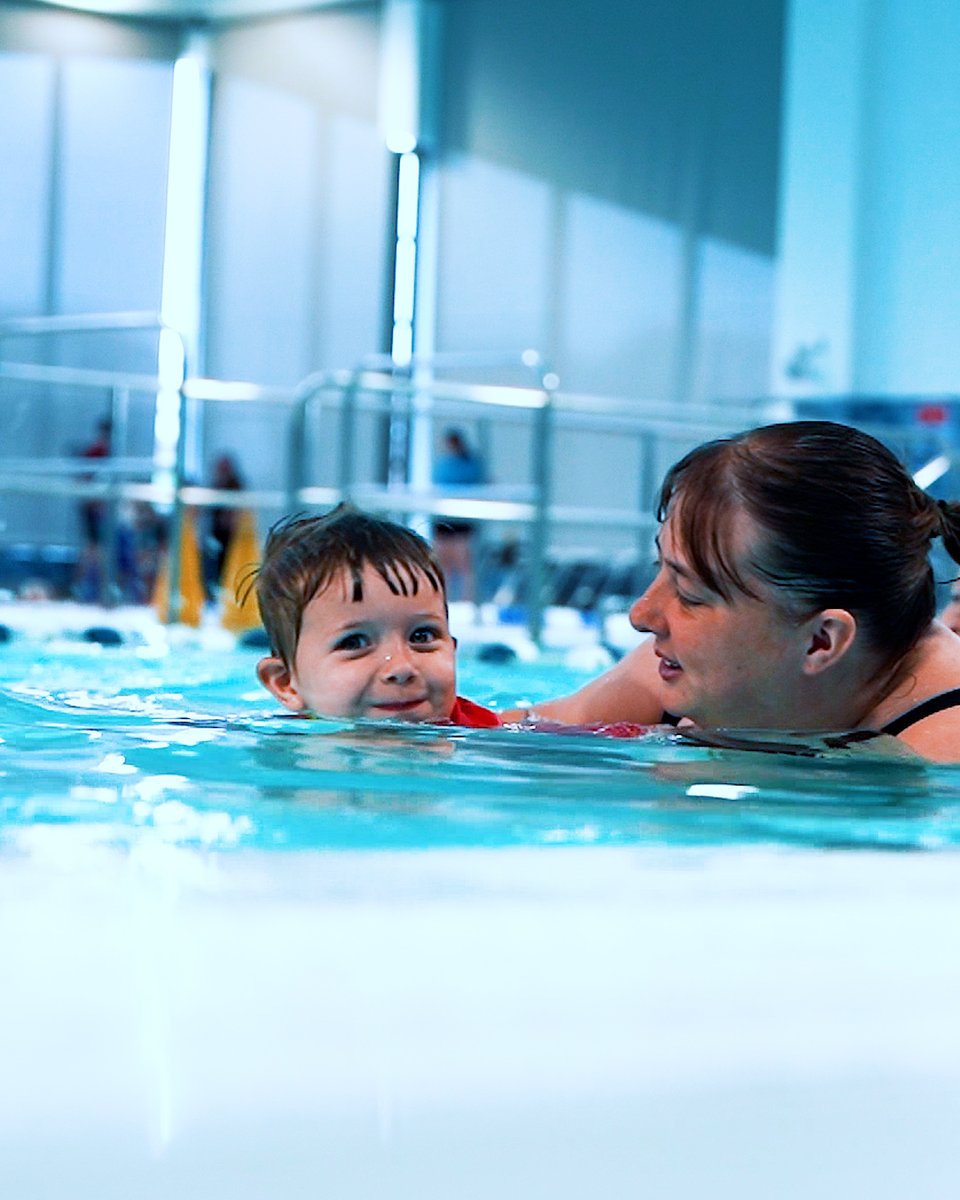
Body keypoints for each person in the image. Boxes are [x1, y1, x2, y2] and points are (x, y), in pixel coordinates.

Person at [504, 421, 960, 764]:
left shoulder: (939, 755)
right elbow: (496, 737)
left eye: (690, 594)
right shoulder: (680, 667)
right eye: (660, 566)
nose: (642, 614)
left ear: (821, 641)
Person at [253, 505, 500, 728]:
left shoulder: (478, 731)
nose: (401, 668)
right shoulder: (278, 756)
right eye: (354, 642)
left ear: (451, 649)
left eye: (422, 636)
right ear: (286, 683)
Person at [432, 428, 486, 602]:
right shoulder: (444, 464)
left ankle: (466, 600)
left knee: (463, 563)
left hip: (461, 517)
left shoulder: (469, 465)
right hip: (444, 517)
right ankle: (443, 599)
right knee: (444, 562)